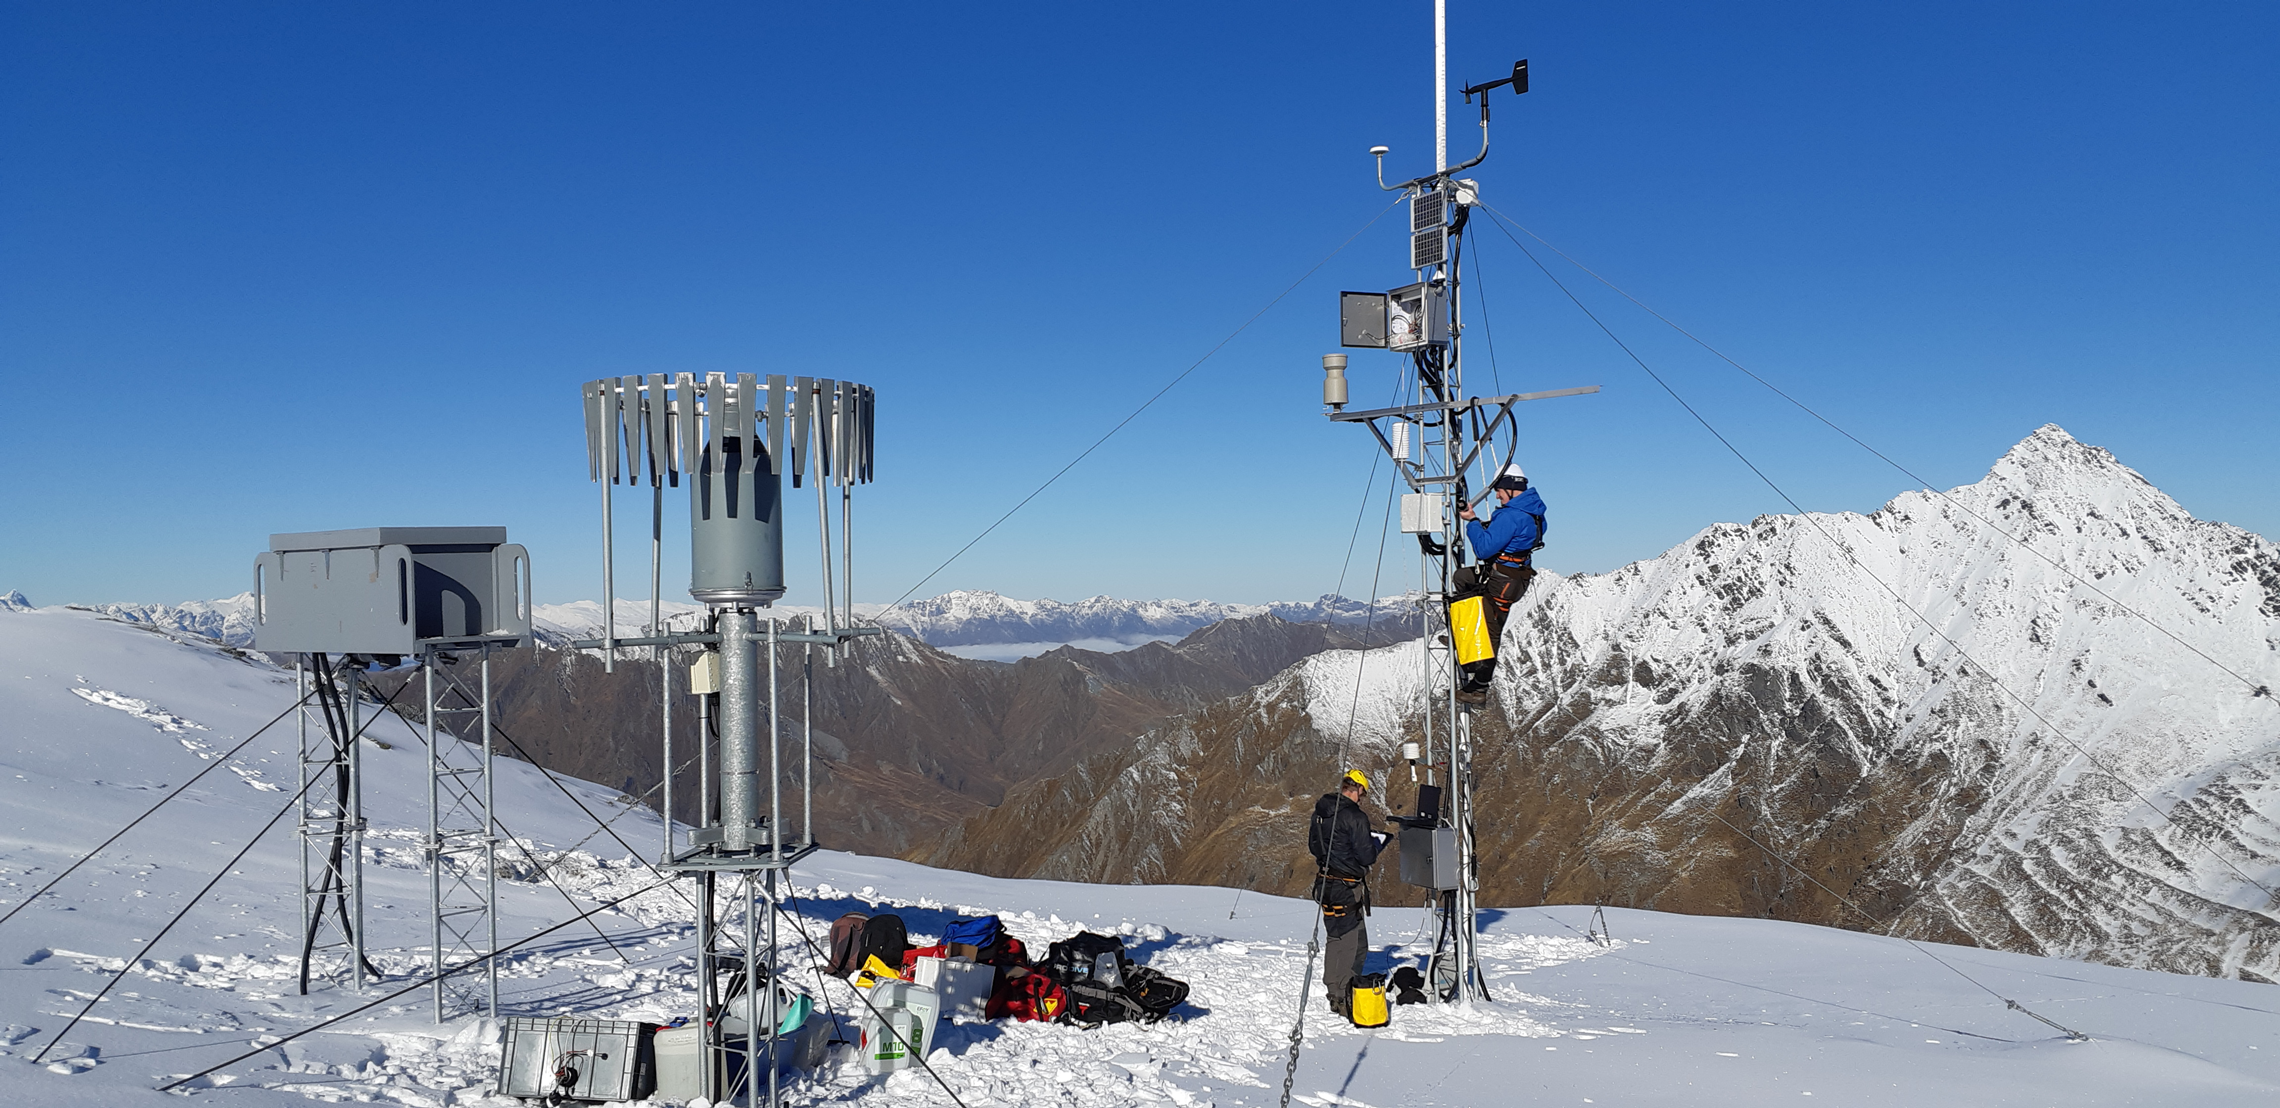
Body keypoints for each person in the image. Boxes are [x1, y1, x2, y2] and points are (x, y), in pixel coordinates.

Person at [1454, 463, 1546, 704]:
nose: (1497, 495)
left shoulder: (1510, 515)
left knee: (1491, 630)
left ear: (1510, 488)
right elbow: (1516, 538)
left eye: (1499, 490)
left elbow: (1484, 549)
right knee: (1463, 578)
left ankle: (1478, 688)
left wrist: (1473, 522)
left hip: (1502, 581)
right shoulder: (1535, 513)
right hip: (1516, 578)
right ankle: (1464, 633)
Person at [1308, 769, 1389, 1020]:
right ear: (1359, 790)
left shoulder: (1320, 812)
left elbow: (1313, 846)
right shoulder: (1355, 817)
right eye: (1362, 794)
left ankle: (1334, 990)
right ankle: (1344, 995)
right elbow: (1366, 856)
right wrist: (1374, 846)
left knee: (1335, 937)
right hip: (1346, 887)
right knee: (1350, 943)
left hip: (1325, 884)